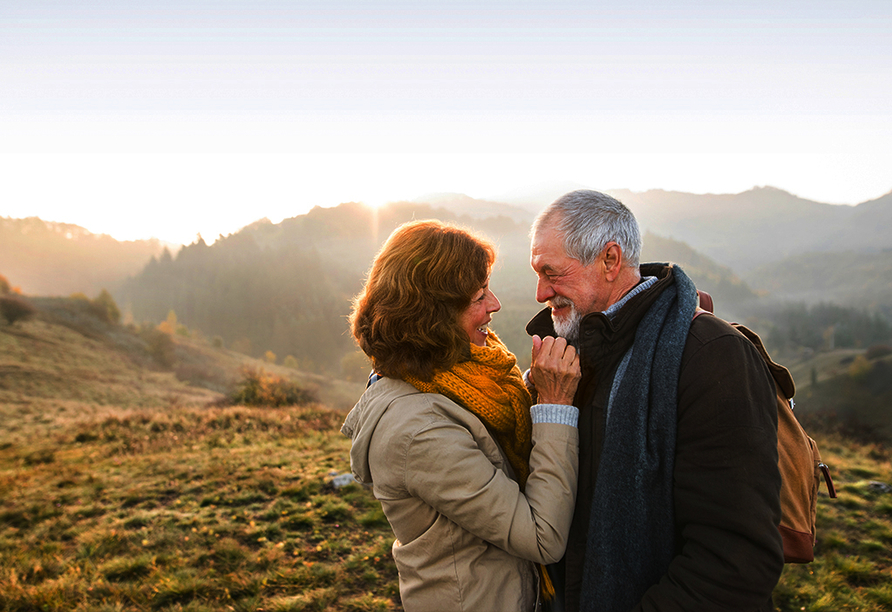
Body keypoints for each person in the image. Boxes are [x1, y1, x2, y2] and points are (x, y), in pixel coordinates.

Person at [526, 190, 784, 612]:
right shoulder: (568, 356)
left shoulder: (710, 354)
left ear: (610, 260)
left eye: (551, 273)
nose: (540, 293)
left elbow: (735, 559)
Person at [341, 219, 582, 611]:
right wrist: (555, 408)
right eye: (478, 296)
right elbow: (542, 537)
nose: (495, 305)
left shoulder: (457, 378)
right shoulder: (419, 431)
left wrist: (531, 389)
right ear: (434, 315)